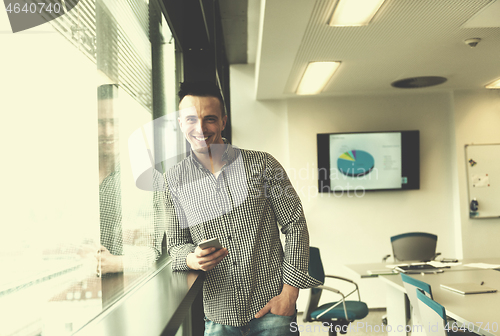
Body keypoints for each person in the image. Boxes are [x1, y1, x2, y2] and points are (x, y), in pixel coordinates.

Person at [164, 81, 321, 335]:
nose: (200, 128)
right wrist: (192, 259)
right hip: (218, 316)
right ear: (181, 123)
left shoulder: (263, 165)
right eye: (191, 119)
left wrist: (290, 294)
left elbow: (295, 224)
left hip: (274, 309)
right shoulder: (173, 181)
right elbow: (175, 246)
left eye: (210, 119)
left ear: (223, 121)